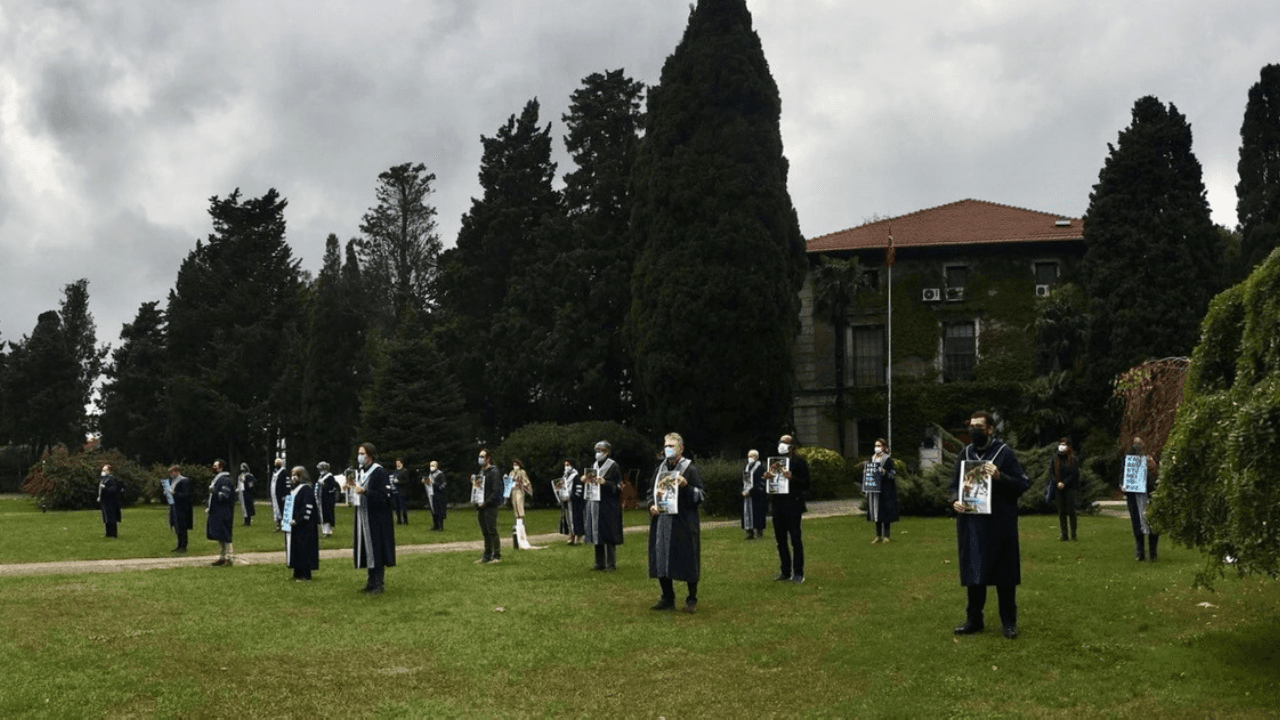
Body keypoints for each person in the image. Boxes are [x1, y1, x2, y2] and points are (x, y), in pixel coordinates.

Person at [950, 411, 1031, 640]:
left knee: (1004, 575)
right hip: (972, 524)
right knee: (975, 573)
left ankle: (1009, 622)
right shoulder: (965, 454)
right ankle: (974, 620)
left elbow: (1022, 484)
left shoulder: (1004, 454)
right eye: (971, 426)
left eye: (979, 426)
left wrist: (1000, 476)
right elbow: (953, 484)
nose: (974, 430)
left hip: (999, 524)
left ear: (990, 429)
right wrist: (954, 500)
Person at [647, 432, 706, 613]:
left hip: (683, 521)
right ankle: (667, 597)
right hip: (662, 520)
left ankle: (691, 599)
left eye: (671, 446)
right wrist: (651, 504)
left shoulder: (690, 469)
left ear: (680, 449)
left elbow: (700, 496)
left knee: (687, 557)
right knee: (662, 557)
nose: (668, 449)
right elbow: (651, 491)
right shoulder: (660, 469)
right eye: (666, 445)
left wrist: (686, 486)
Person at [764, 434, 810, 583]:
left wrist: (792, 479)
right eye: (780, 442)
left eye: (785, 443)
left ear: (791, 446)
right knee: (780, 540)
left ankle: (798, 572)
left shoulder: (799, 462)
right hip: (778, 504)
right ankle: (785, 570)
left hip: (793, 504)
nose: (781, 445)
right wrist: (767, 478)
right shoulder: (776, 462)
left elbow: (806, 483)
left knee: (795, 539)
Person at [351, 442, 395, 594]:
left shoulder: (378, 472)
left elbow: (385, 496)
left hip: (377, 518)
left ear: (370, 455)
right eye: (359, 453)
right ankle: (370, 580)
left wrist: (366, 492)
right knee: (367, 549)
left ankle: (378, 583)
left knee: (377, 548)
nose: (360, 456)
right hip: (364, 516)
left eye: (362, 453)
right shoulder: (362, 471)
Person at [586, 440, 625, 572]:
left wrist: (606, 483)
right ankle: (599, 562)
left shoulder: (613, 466)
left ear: (607, 452)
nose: (598, 453)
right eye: (596, 450)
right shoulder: (594, 465)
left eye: (601, 450)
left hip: (609, 504)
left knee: (608, 532)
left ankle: (611, 564)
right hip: (596, 502)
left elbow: (620, 486)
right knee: (597, 533)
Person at [1124, 436, 1160, 561]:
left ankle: (1153, 552)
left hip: (1150, 494)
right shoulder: (1129, 457)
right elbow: (1123, 473)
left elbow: (1158, 475)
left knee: (1153, 523)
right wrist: (1123, 485)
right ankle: (1140, 552)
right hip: (1135, 495)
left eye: (1139, 442)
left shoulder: (1152, 457)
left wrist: (1152, 467)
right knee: (1137, 523)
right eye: (1135, 442)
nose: (1137, 444)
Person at [285, 466, 320, 581]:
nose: (293, 477)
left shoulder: (306, 489)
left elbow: (307, 507)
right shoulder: (294, 488)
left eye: (296, 474)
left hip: (305, 525)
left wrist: (298, 519)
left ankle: (306, 574)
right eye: (292, 474)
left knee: (304, 548)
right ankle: (297, 571)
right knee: (296, 548)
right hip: (293, 524)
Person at [1044, 438, 1081, 541]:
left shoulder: (1072, 459)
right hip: (1058, 488)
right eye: (1061, 444)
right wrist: (1057, 482)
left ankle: (1073, 534)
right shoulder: (1055, 458)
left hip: (1070, 488)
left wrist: (1065, 482)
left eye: (1064, 444)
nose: (1062, 446)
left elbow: (1074, 473)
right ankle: (1064, 533)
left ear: (1068, 446)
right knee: (1061, 511)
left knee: (1071, 511)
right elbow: (1051, 472)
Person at [865, 439, 899, 544]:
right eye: (876, 445)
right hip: (875, 490)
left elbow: (893, 473)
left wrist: (884, 472)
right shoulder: (872, 458)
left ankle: (887, 535)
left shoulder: (887, 459)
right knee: (876, 513)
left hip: (885, 490)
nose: (877, 447)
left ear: (883, 447)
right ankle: (878, 535)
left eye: (879, 445)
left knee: (885, 512)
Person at [474, 449, 503, 564]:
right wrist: (476, 499)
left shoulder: (494, 472)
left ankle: (497, 555)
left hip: (490, 505)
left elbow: (495, 490)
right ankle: (487, 555)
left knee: (492, 530)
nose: (480, 459)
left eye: (482, 456)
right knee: (485, 531)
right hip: (481, 505)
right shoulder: (481, 472)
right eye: (479, 456)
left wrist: (486, 501)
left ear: (488, 458)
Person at [206, 459, 236, 566]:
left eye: (215, 466)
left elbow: (224, 496)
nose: (213, 468)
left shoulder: (226, 480)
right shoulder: (217, 479)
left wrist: (215, 492)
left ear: (221, 467)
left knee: (225, 535)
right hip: (217, 511)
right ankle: (222, 556)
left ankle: (229, 558)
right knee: (219, 535)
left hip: (224, 511)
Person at [166, 465, 193, 552]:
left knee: (182, 526)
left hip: (182, 508)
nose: (171, 474)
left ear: (177, 471)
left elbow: (185, 495)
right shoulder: (173, 481)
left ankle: (183, 545)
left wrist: (173, 493)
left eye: (172, 472)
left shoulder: (184, 481)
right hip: (175, 506)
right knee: (176, 526)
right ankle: (179, 544)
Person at [741, 450, 766, 540]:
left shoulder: (760, 467)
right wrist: (744, 490)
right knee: (747, 513)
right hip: (748, 495)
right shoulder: (747, 467)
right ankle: (749, 532)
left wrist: (753, 490)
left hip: (757, 494)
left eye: (752, 456)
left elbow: (761, 481)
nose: (750, 458)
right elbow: (745, 481)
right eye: (749, 456)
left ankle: (759, 532)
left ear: (756, 457)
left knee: (758, 513)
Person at [98, 464, 123, 539]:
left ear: (109, 471)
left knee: (112, 517)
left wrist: (105, 488)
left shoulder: (112, 479)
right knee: (106, 517)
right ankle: (108, 533)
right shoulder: (104, 479)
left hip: (112, 501)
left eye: (105, 470)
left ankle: (114, 534)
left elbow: (113, 490)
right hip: (105, 500)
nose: (103, 472)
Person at [316, 461, 339, 538]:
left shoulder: (329, 477)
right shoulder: (321, 477)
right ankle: (324, 531)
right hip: (321, 500)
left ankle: (327, 532)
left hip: (327, 500)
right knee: (322, 516)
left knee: (327, 516)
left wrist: (325, 486)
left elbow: (332, 488)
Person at [558, 459, 579, 544]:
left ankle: (576, 536)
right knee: (568, 519)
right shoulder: (564, 476)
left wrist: (572, 496)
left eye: (568, 464)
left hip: (574, 501)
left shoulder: (575, 476)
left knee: (574, 519)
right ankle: (571, 535)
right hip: (566, 501)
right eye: (565, 465)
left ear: (572, 465)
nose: (566, 467)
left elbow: (578, 489)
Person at [426, 461, 448, 531]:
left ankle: (440, 526)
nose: (431, 467)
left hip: (439, 495)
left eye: (433, 465)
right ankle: (435, 525)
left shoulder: (440, 474)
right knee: (434, 510)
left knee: (439, 510)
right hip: (432, 494)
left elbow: (443, 485)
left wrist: (434, 484)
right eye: (430, 465)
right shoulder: (430, 474)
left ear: (436, 466)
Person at [569, 459, 587, 546]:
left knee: (579, 518)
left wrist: (574, 496)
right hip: (572, 501)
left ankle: (580, 536)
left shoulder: (577, 477)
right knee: (573, 519)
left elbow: (579, 489)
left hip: (579, 501)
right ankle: (573, 536)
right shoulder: (572, 477)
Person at [269, 458, 290, 532]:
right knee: (276, 509)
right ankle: (278, 525)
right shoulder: (274, 471)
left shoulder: (284, 472)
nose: (276, 464)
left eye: (278, 463)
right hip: (274, 494)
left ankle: (284, 525)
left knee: (282, 509)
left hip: (281, 494)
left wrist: (285, 494)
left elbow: (287, 484)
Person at [391, 458, 411, 525]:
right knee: (397, 507)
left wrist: (399, 482)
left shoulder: (404, 471)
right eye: (396, 463)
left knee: (403, 506)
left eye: (399, 463)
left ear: (402, 463)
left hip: (402, 491)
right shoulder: (395, 471)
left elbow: (407, 481)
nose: (397, 464)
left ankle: (405, 520)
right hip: (395, 491)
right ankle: (399, 520)